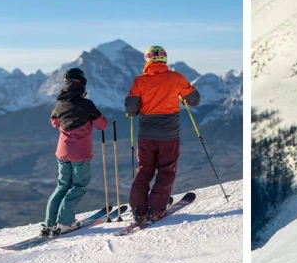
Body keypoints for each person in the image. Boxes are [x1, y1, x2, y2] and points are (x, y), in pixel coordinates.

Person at [125, 45, 200, 223]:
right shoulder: (176, 78)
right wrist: (180, 97)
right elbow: (195, 100)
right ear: (164, 59)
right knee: (166, 171)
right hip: (169, 135)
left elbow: (131, 109)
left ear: (147, 60)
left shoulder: (139, 81)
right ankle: (156, 209)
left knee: (144, 170)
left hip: (146, 134)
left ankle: (139, 211)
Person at [42, 67, 108, 236]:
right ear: (82, 84)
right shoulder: (87, 105)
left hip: (62, 152)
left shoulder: (60, 104)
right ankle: (65, 223)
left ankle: (50, 223)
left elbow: (54, 122)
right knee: (78, 186)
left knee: (62, 186)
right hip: (80, 154)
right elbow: (102, 125)